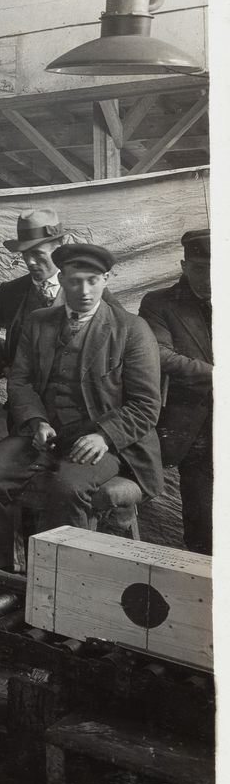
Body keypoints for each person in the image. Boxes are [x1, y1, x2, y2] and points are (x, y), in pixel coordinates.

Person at [0, 244, 163, 570]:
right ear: (63, 278)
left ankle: (63, 585)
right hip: (48, 435)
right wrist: (36, 421)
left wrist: (104, 436)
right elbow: (21, 382)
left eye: (92, 280)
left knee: (68, 487)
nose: (83, 291)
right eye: (74, 281)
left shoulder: (131, 329)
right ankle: (0, 575)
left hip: (110, 445)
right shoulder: (38, 322)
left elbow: (146, 405)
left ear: (106, 279)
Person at [139, 229, 212, 554]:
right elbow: (161, 355)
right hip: (194, 428)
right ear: (183, 265)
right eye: (199, 268)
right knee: (202, 519)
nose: (210, 276)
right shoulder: (158, 303)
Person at [0, 210, 66, 380]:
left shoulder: (85, 288)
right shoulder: (10, 292)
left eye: (37, 253)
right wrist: (4, 367)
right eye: (25, 253)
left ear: (59, 246)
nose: (29, 261)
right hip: (22, 398)